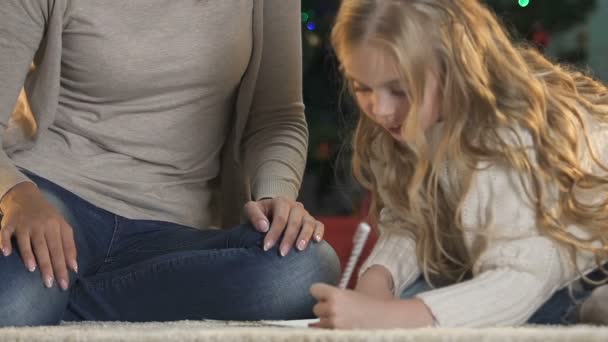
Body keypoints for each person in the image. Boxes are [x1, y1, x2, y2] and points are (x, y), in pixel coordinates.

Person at [0, 0, 340, 326]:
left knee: (306, 268)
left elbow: (278, 116)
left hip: (175, 232)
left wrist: (274, 197)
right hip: (52, 203)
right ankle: (70, 300)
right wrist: (16, 193)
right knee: (15, 299)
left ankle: (61, 302)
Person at [309, 0, 608, 329]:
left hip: (579, 264)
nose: (379, 109)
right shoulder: (401, 126)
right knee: (415, 297)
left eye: (399, 90)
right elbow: (409, 221)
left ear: (452, 71)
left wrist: (383, 315)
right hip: (494, 261)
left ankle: (586, 304)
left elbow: (519, 279)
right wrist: (379, 280)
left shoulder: (508, 134)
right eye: (362, 87)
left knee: (467, 312)